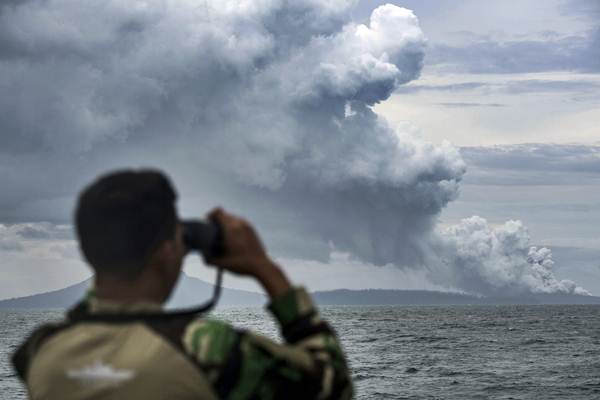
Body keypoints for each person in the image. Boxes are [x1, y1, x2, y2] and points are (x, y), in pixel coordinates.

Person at [12, 169, 353, 400]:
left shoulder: (39, 351)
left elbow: (94, 320)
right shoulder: (207, 349)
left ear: (88, 250)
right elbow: (332, 384)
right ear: (165, 252)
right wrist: (264, 267)